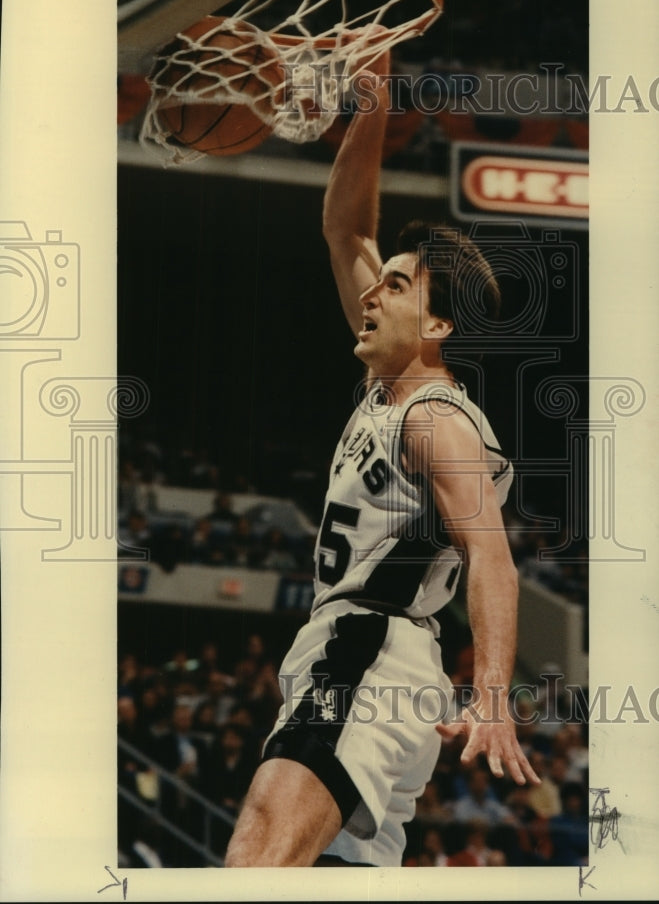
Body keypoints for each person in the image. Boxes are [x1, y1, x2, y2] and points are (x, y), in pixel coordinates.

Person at [225, 48, 539, 868]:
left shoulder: (436, 419)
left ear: (437, 327)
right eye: (381, 283)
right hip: (365, 665)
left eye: (396, 287)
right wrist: (373, 105)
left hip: (367, 654)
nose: (372, 292)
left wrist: (494, 697)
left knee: (257, 853)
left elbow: (492, 557)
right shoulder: (394, 388)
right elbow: (346, 228)